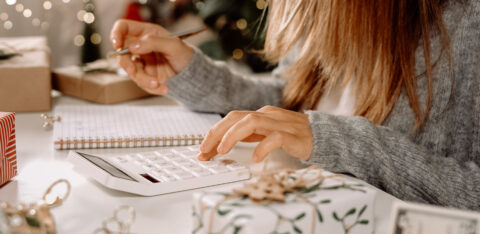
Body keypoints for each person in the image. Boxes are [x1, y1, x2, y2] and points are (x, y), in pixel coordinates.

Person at [110, 0, 480, 210]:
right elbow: (288, 101)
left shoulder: (467, 23)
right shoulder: (323, 12)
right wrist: (190, 69)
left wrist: (336, 140)